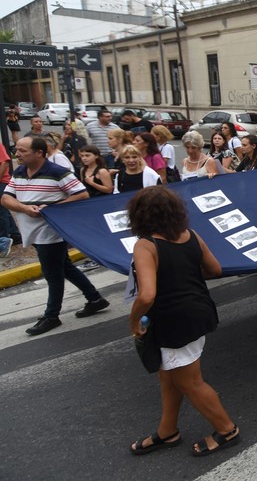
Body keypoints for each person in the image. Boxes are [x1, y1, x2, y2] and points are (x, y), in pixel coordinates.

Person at [126, 186, 240, 457]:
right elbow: (215, 269)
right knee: (169, 376)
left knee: (190, 382)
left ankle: (227, 430)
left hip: (173, 321)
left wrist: (133, 323)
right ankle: (167, 432)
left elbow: (147, 295)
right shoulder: (191, 236)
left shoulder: (145, 245)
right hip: (199, 311)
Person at [2, 137, 110, 336]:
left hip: (50, 233)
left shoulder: (57, 172)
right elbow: (6, 198)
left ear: (39, 153)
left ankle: (52, 316)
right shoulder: (19, 171)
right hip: (32, 232)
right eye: (16, 150)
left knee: (53, 274)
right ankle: (95, 299)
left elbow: (81, 194)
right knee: (65, 267)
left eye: (22, 151)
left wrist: (51, 209)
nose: (16, 154)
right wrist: (25, 208)